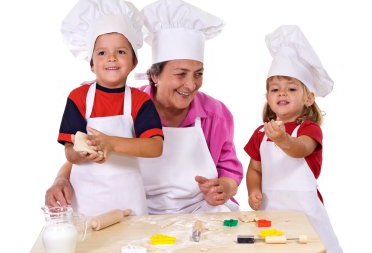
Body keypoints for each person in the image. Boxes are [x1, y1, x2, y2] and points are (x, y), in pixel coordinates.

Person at [46, 0, 243, 214]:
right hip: (137, 209)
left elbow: (230, 173)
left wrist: (223, 188)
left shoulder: (215, 113)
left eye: (198, 74)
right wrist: (60, 179)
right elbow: (84, 151)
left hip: (199, 208)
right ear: (154, 76)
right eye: (181, 74)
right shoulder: (129, 104)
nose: (191, 84)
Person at [57, 0, 163, 217]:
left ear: (134, 61)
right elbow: (69, 151)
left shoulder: (140, 100)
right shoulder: (78, 98)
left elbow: (155, 147)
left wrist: (111, 143)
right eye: (102, 53)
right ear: (92, 63)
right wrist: (83, 153)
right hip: (87, 201)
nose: (112, 58)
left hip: (128, 200)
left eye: (121, 52)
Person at [244, 25, 342, 252]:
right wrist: (252, 190)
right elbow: (255, 169)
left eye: (291, 88)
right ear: (267, 97)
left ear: (308, 98)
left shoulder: (309, 129)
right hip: (272, 211)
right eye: (275, 89)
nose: (282, 93)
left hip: (306, 213)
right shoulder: (261, 133)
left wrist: (283, 140)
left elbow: (301, 149)